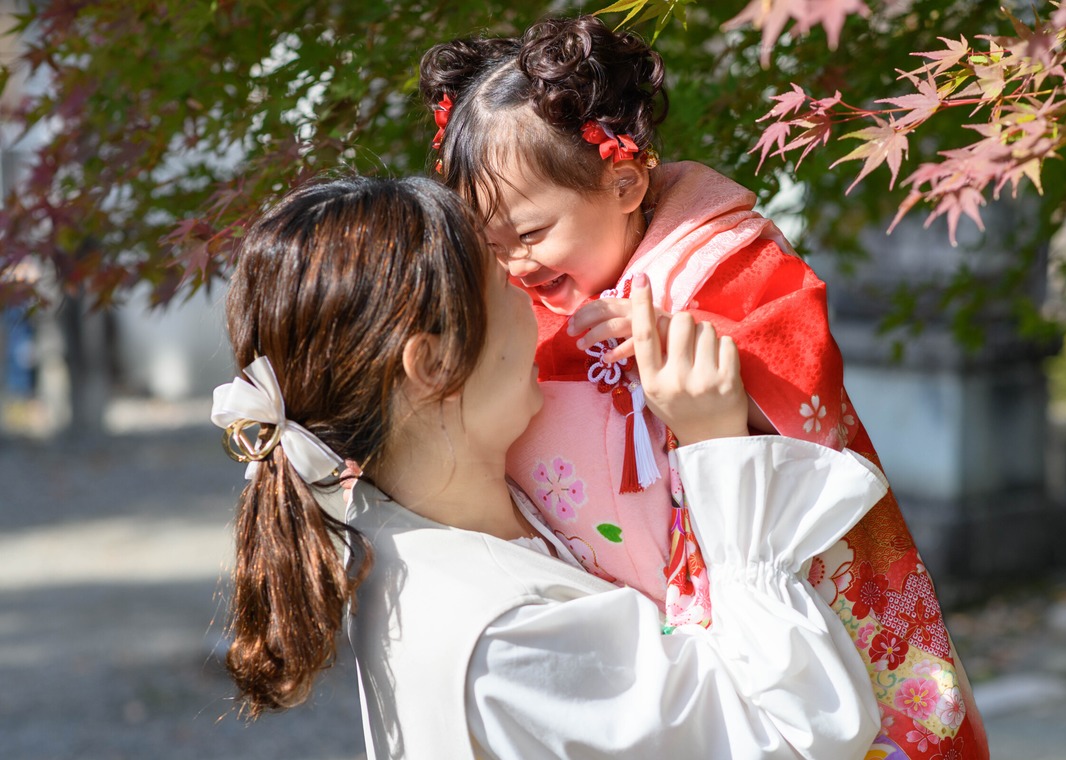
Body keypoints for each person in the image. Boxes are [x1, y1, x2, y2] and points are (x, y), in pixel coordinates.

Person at [419, 14, 988, 758]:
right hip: (633, 598)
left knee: (840, 714)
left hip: (767, 566)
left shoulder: (721, 260)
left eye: (529, 235)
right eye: (489, 245)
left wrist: (690, 354)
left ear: (623, 182)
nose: (514, 266)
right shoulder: (520, 302)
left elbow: (804, 385)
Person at [210, 173, 890, 758]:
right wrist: (720, 451)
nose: (529, 298)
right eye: (498, 279)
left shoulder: (421, 538)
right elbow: (802, 733)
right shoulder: (507, 632)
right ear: (433, 363)